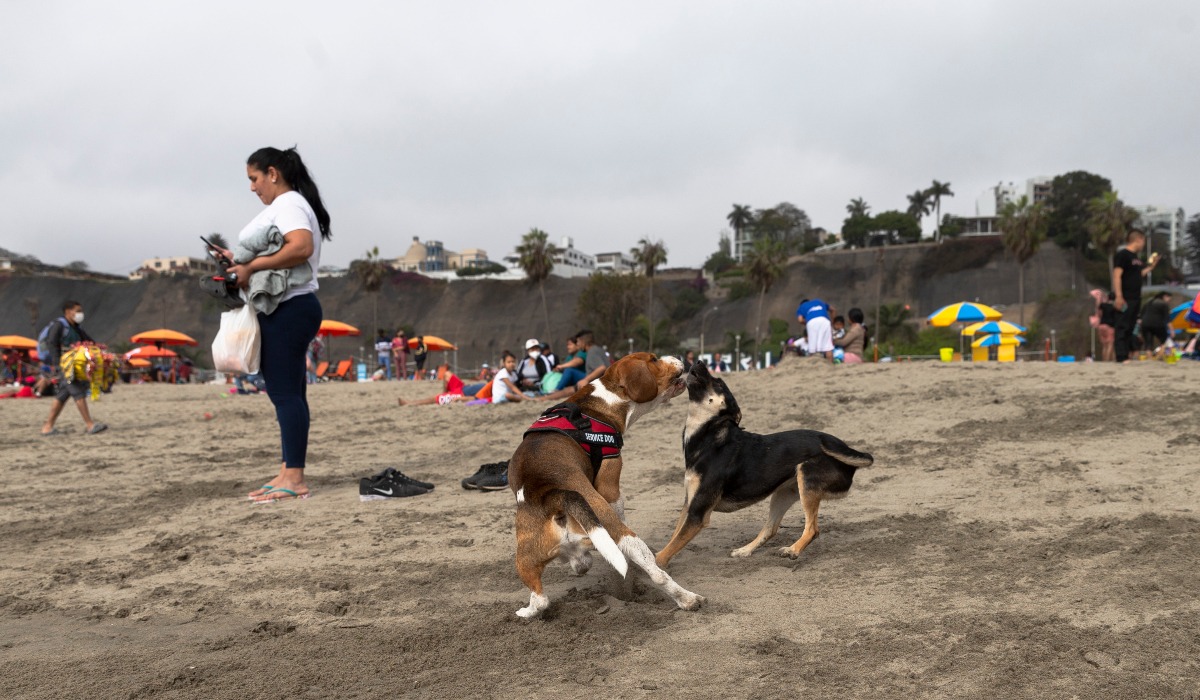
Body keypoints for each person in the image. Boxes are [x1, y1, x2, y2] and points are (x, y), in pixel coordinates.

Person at [218, 146, 330, 504]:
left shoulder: (289, 204)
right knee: (291, 393)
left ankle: (295, 477)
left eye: (254, 178)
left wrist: (251, 267)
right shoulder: (289, 205)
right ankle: (288, 469)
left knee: (284, 394)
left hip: (289, 307)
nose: (252, 187)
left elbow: (301, 246)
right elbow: (286, 249)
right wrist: (238, 260)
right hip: (293, 307)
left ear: (272, 173)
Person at [40, 300, 107, 436]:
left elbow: (89, 342)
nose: (80, 314)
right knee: (78, 392)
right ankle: (90, 425)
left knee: (62, 396)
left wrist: (100, 350)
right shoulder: (59, 325)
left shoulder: (76, 328)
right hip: (65, 366)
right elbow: (52, 344)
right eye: (78, 311)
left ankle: (47, 427)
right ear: (68, 312)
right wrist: (57, 365)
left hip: (72, 366)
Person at [1112, 230, 1158, 363]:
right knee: (1122, 326)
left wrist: (1151, 267)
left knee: (1131, 326)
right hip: (1125, 296)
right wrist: (1119, 296)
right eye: (1143, 241)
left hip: (1136, 297)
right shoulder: (1123, 255)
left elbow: (1139, 274)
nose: (1143, 244)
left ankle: (1127, 354)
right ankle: (1121, 356)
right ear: (1138, 239)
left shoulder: (1136, 258)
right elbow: (1117, 275)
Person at [398, 364, 471, 405]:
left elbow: (475, 398)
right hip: (463, 387)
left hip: (462, 394)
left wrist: (460, 398)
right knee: (447, 374)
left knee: (434, 399)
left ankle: (409, 403)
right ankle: (444, 393)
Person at [1097, 291, 1117, 362]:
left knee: (1104, 346)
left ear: (1108, 298)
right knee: (1110, 344)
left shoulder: (1103, 305)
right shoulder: (1114, 307)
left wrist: (1099, 298)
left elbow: (1098, 307)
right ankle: (1107, 361)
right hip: (1109, 327)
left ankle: (1104, 360)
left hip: (1101, 325)